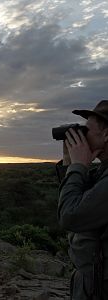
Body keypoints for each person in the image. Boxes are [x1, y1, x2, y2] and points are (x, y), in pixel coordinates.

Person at [57, 100, 108, 299]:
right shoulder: (102, 171)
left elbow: (70, 216)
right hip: (93, 280)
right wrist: (70, 165)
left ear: (106, 135)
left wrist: (78, 166)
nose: (82, 136)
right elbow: (74, 197)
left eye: (87, 130)